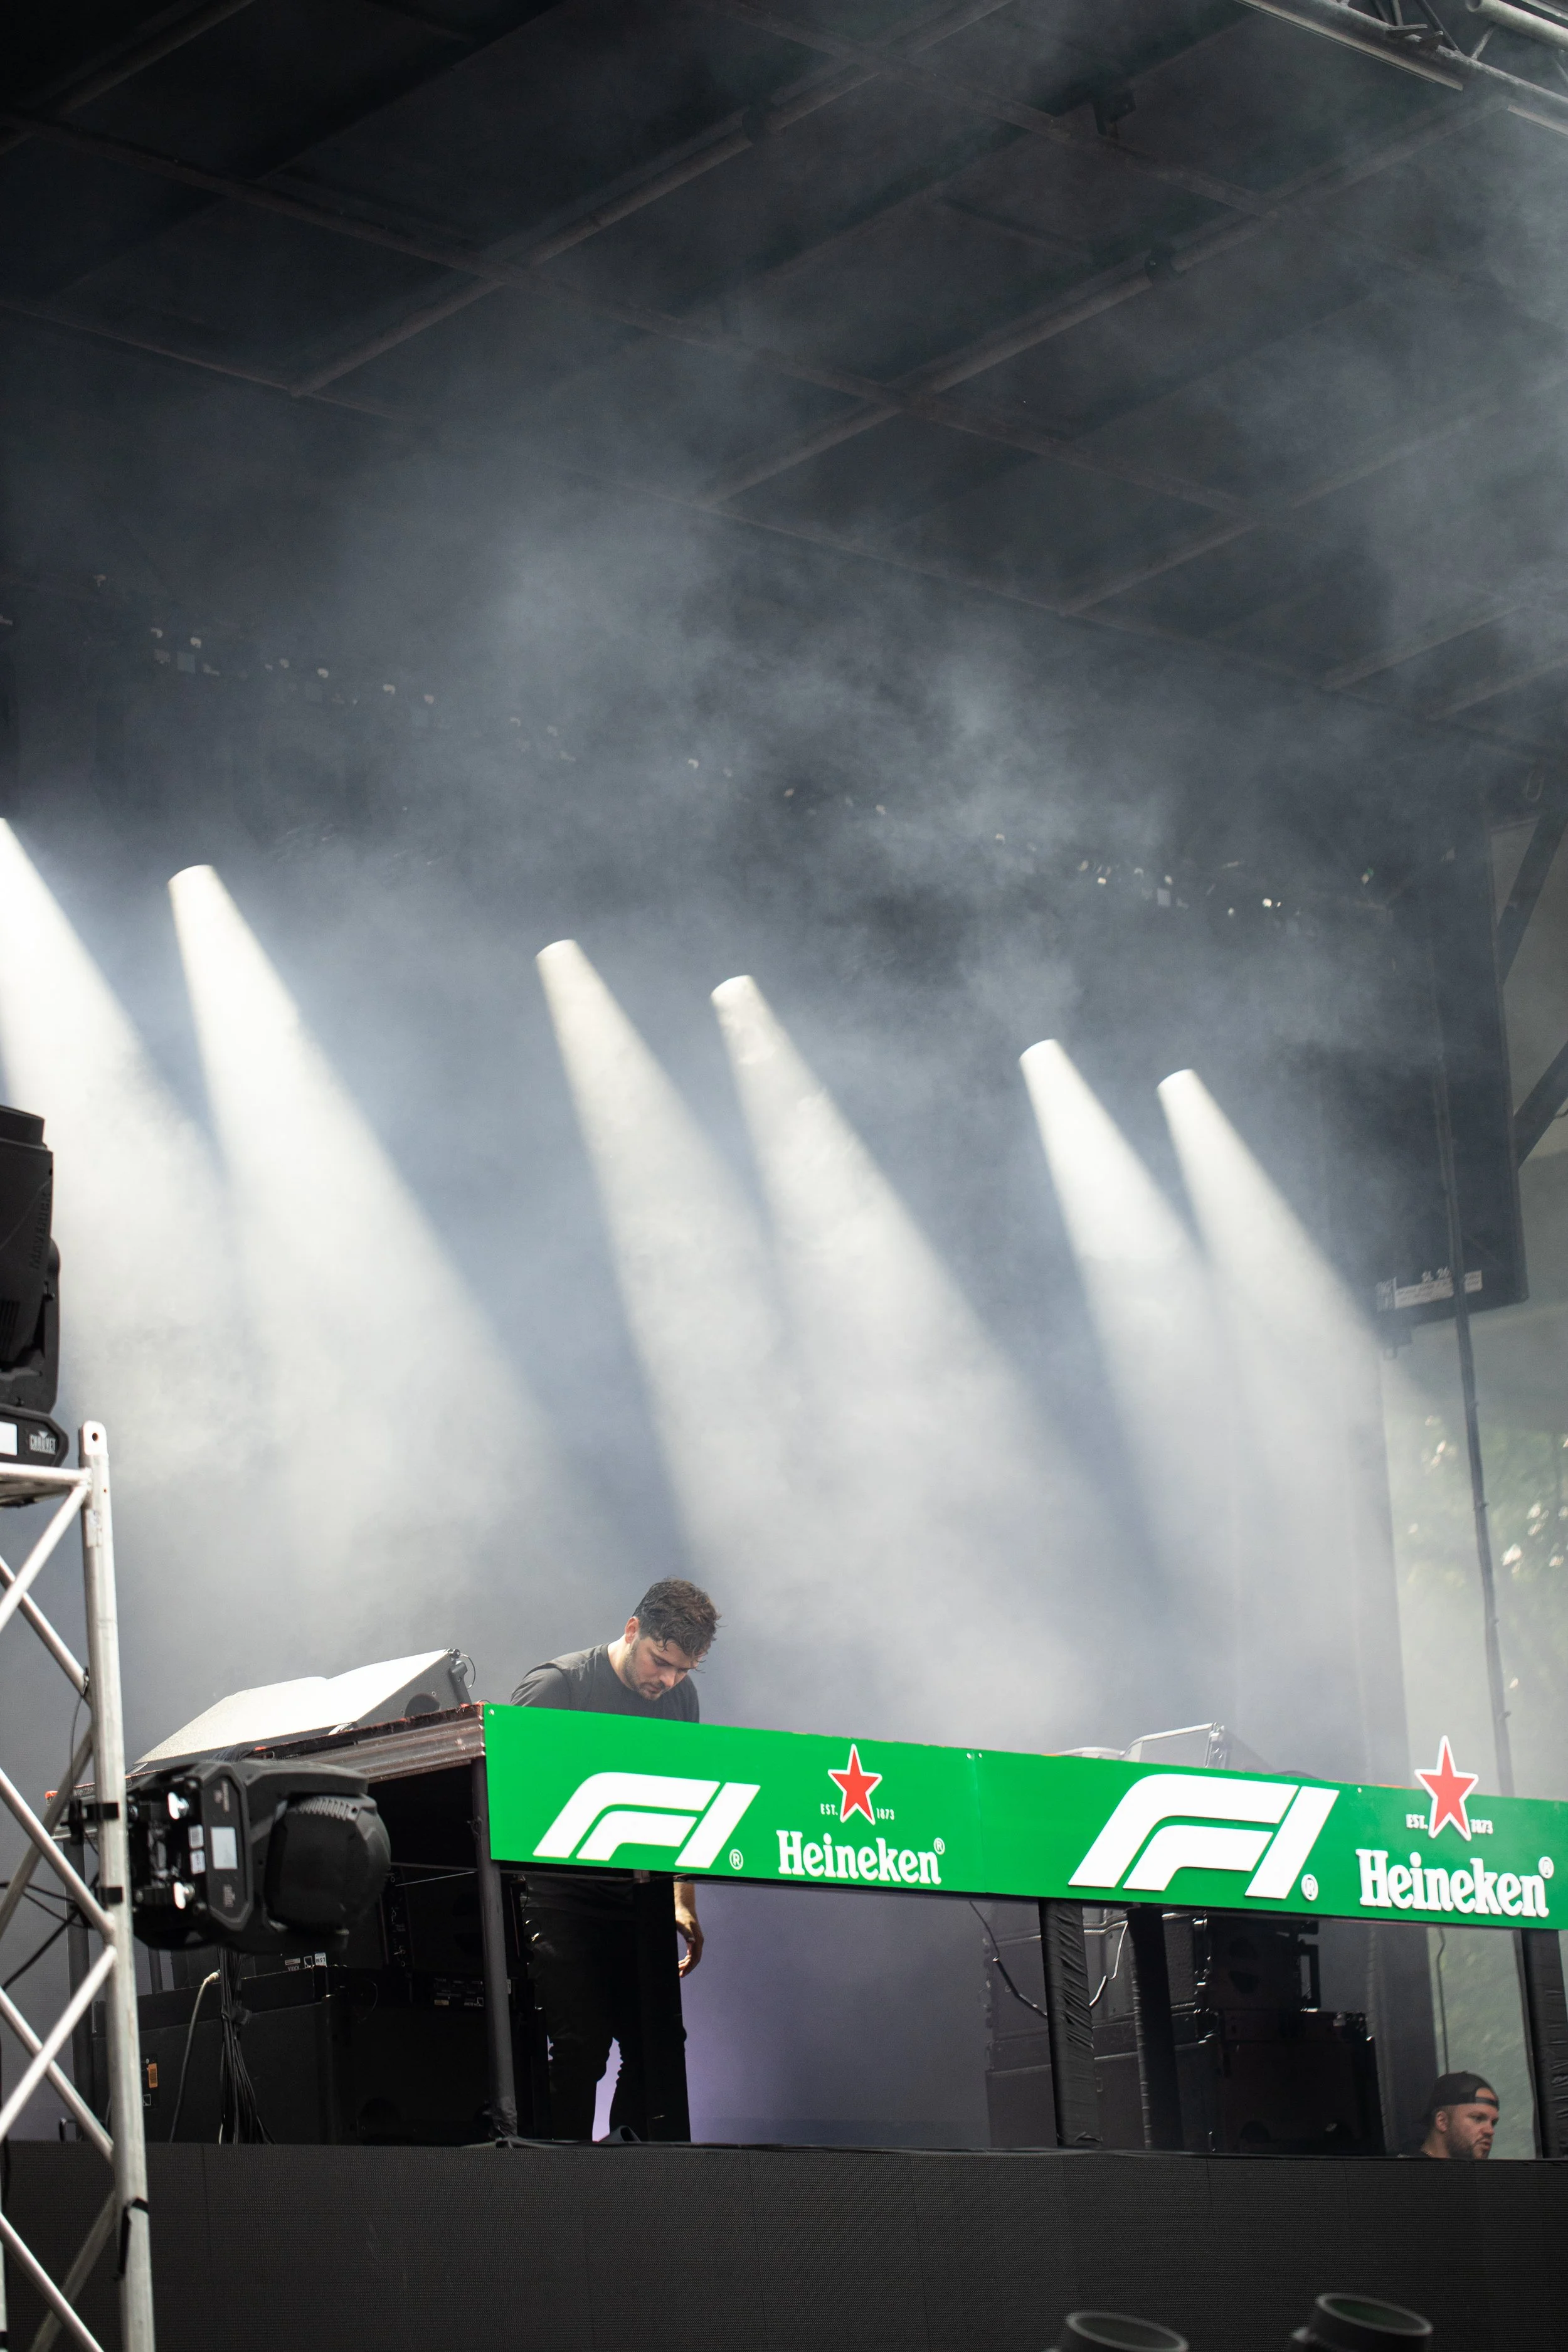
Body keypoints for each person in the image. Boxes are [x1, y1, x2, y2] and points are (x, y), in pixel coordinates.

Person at [510, 1577, 719, 2140]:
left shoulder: (680, 1699)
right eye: (660, 1661)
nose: (668, 1680)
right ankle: (561, 2183)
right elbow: (514, 1804)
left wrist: (682, 1899)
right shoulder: (557, 1686)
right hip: (562, 1898)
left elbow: (688, 1807)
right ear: (632, 1630)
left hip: (640, 1896)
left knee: (658, 2046)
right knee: (582, 2048)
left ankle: (633, 2174)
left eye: (682, 1670)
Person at [1415, 2071, 1498, 2159]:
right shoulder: (1405, 2171)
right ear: (1442, 2122)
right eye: (1478, 2118)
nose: (1490, 2131)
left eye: (1493, 2123)